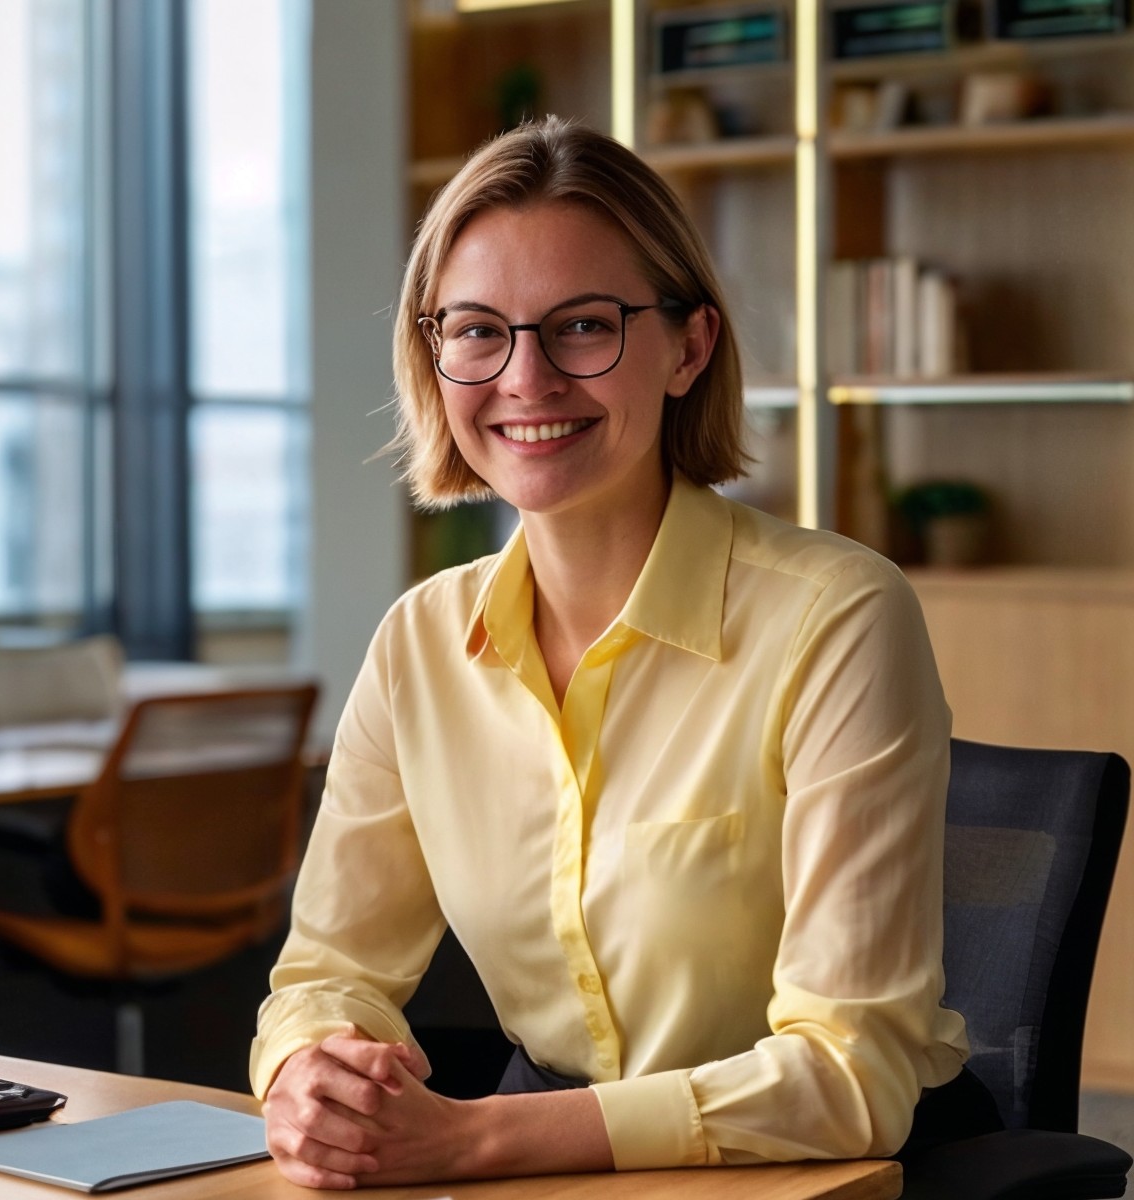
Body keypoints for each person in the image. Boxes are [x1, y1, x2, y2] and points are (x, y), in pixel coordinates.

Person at [250, 115, 973, 1190]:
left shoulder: (836, 618)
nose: (526, 378)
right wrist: (314, 1071)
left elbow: (848, 1076)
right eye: (479, 331)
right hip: (551, 1166)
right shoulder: (420, 645)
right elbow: (328, 972)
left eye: (583, 326)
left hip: (810, 1174)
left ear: (690, 347)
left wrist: (474, 1140)